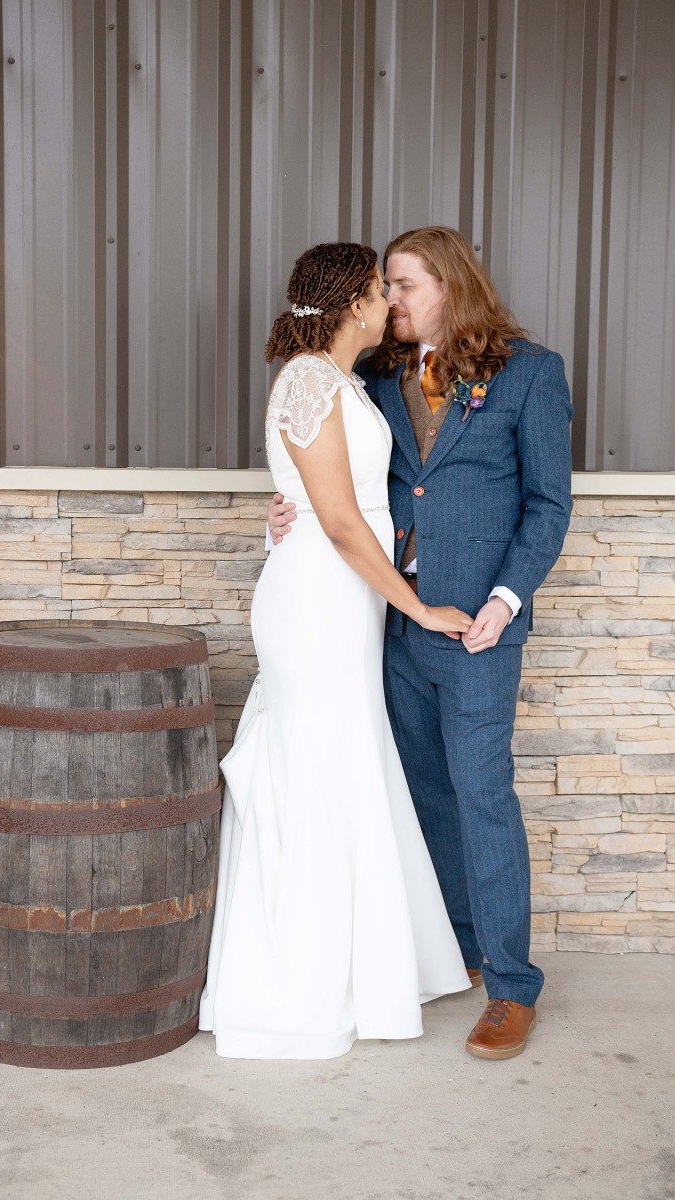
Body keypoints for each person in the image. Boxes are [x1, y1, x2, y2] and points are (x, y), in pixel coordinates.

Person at [266, 227, 573, 1060]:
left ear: (449, 285)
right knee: (424, 795)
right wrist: (285, 514)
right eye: (386, 286)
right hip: (388, 625)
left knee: (482, 797)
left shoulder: (531, 373)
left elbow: (549, 505)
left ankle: (512, 987)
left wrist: (505, 601)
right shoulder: (372, 374)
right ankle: (458, 948)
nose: (390, 299)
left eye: (403, 284)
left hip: (475, 627)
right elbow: (335, 479)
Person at [198, 242, 474, 1059]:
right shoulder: (309, 381)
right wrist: (419, 608)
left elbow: (326, 498)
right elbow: (343, 522)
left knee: (346, 759)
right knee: (315, 766)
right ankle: (303, 972)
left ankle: (359, 966)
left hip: (346, 599)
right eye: (379, 290)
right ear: (354, 303)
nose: (390, 302)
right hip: (318, 601)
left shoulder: (342, 381)